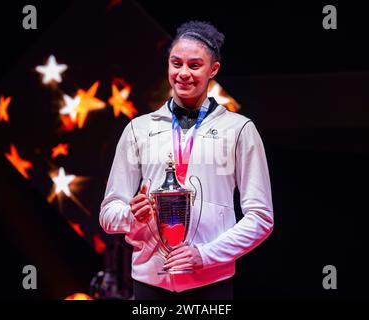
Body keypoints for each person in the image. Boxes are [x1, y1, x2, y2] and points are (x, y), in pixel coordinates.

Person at [99, 20, 274, 300]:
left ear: (213, 70)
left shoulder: (239, 129)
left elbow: (261, 217)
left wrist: (205, 255)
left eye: (194, 65)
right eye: (176, 63)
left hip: (210, 282)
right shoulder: (138, 129)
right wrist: (132, 217)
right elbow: (109, 214)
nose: (183, 73)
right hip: (150, 282)